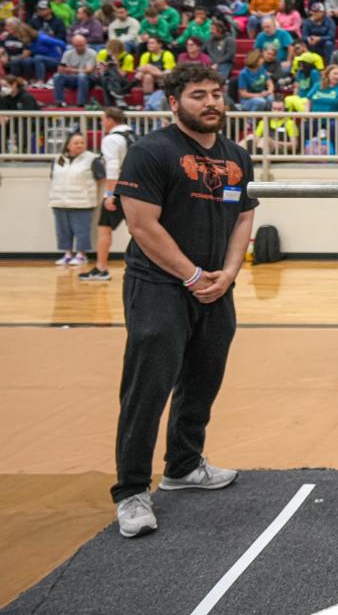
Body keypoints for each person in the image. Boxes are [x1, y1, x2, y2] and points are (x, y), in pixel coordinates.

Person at [111, 64, 257, 538]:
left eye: (217, 93)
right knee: (147, 389)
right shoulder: (151, 152)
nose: (212, 102)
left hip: (216, 288)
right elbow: (141, 225)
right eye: (199, 95)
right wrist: (192, 276)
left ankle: (184, 466)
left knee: (202, 380)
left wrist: (229, 274)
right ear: (173, 103)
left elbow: (241, 219)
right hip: (159, 286)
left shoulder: (236, 156)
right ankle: (132, 490)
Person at [80, 108, 138, 281]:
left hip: (120, 189)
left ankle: (101, 268)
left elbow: (112, 167)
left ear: (111, 120)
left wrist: (111, 194)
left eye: (102, 119)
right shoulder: (135, 136)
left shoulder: (112, 139)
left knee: (104, 229)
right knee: (139, 231)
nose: (101, 123)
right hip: (138, 189)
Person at [49, 131, 99, 267]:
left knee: (82, 230)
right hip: (59, 201)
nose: (80, 145)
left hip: (82, 202)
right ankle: (67, 254)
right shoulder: (57, 159)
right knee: (63, 230)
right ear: (68, 145)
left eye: (82, 143)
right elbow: (52, 177)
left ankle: (82, 255)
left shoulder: (92, 159)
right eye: (76, 143)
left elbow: (101, 178)